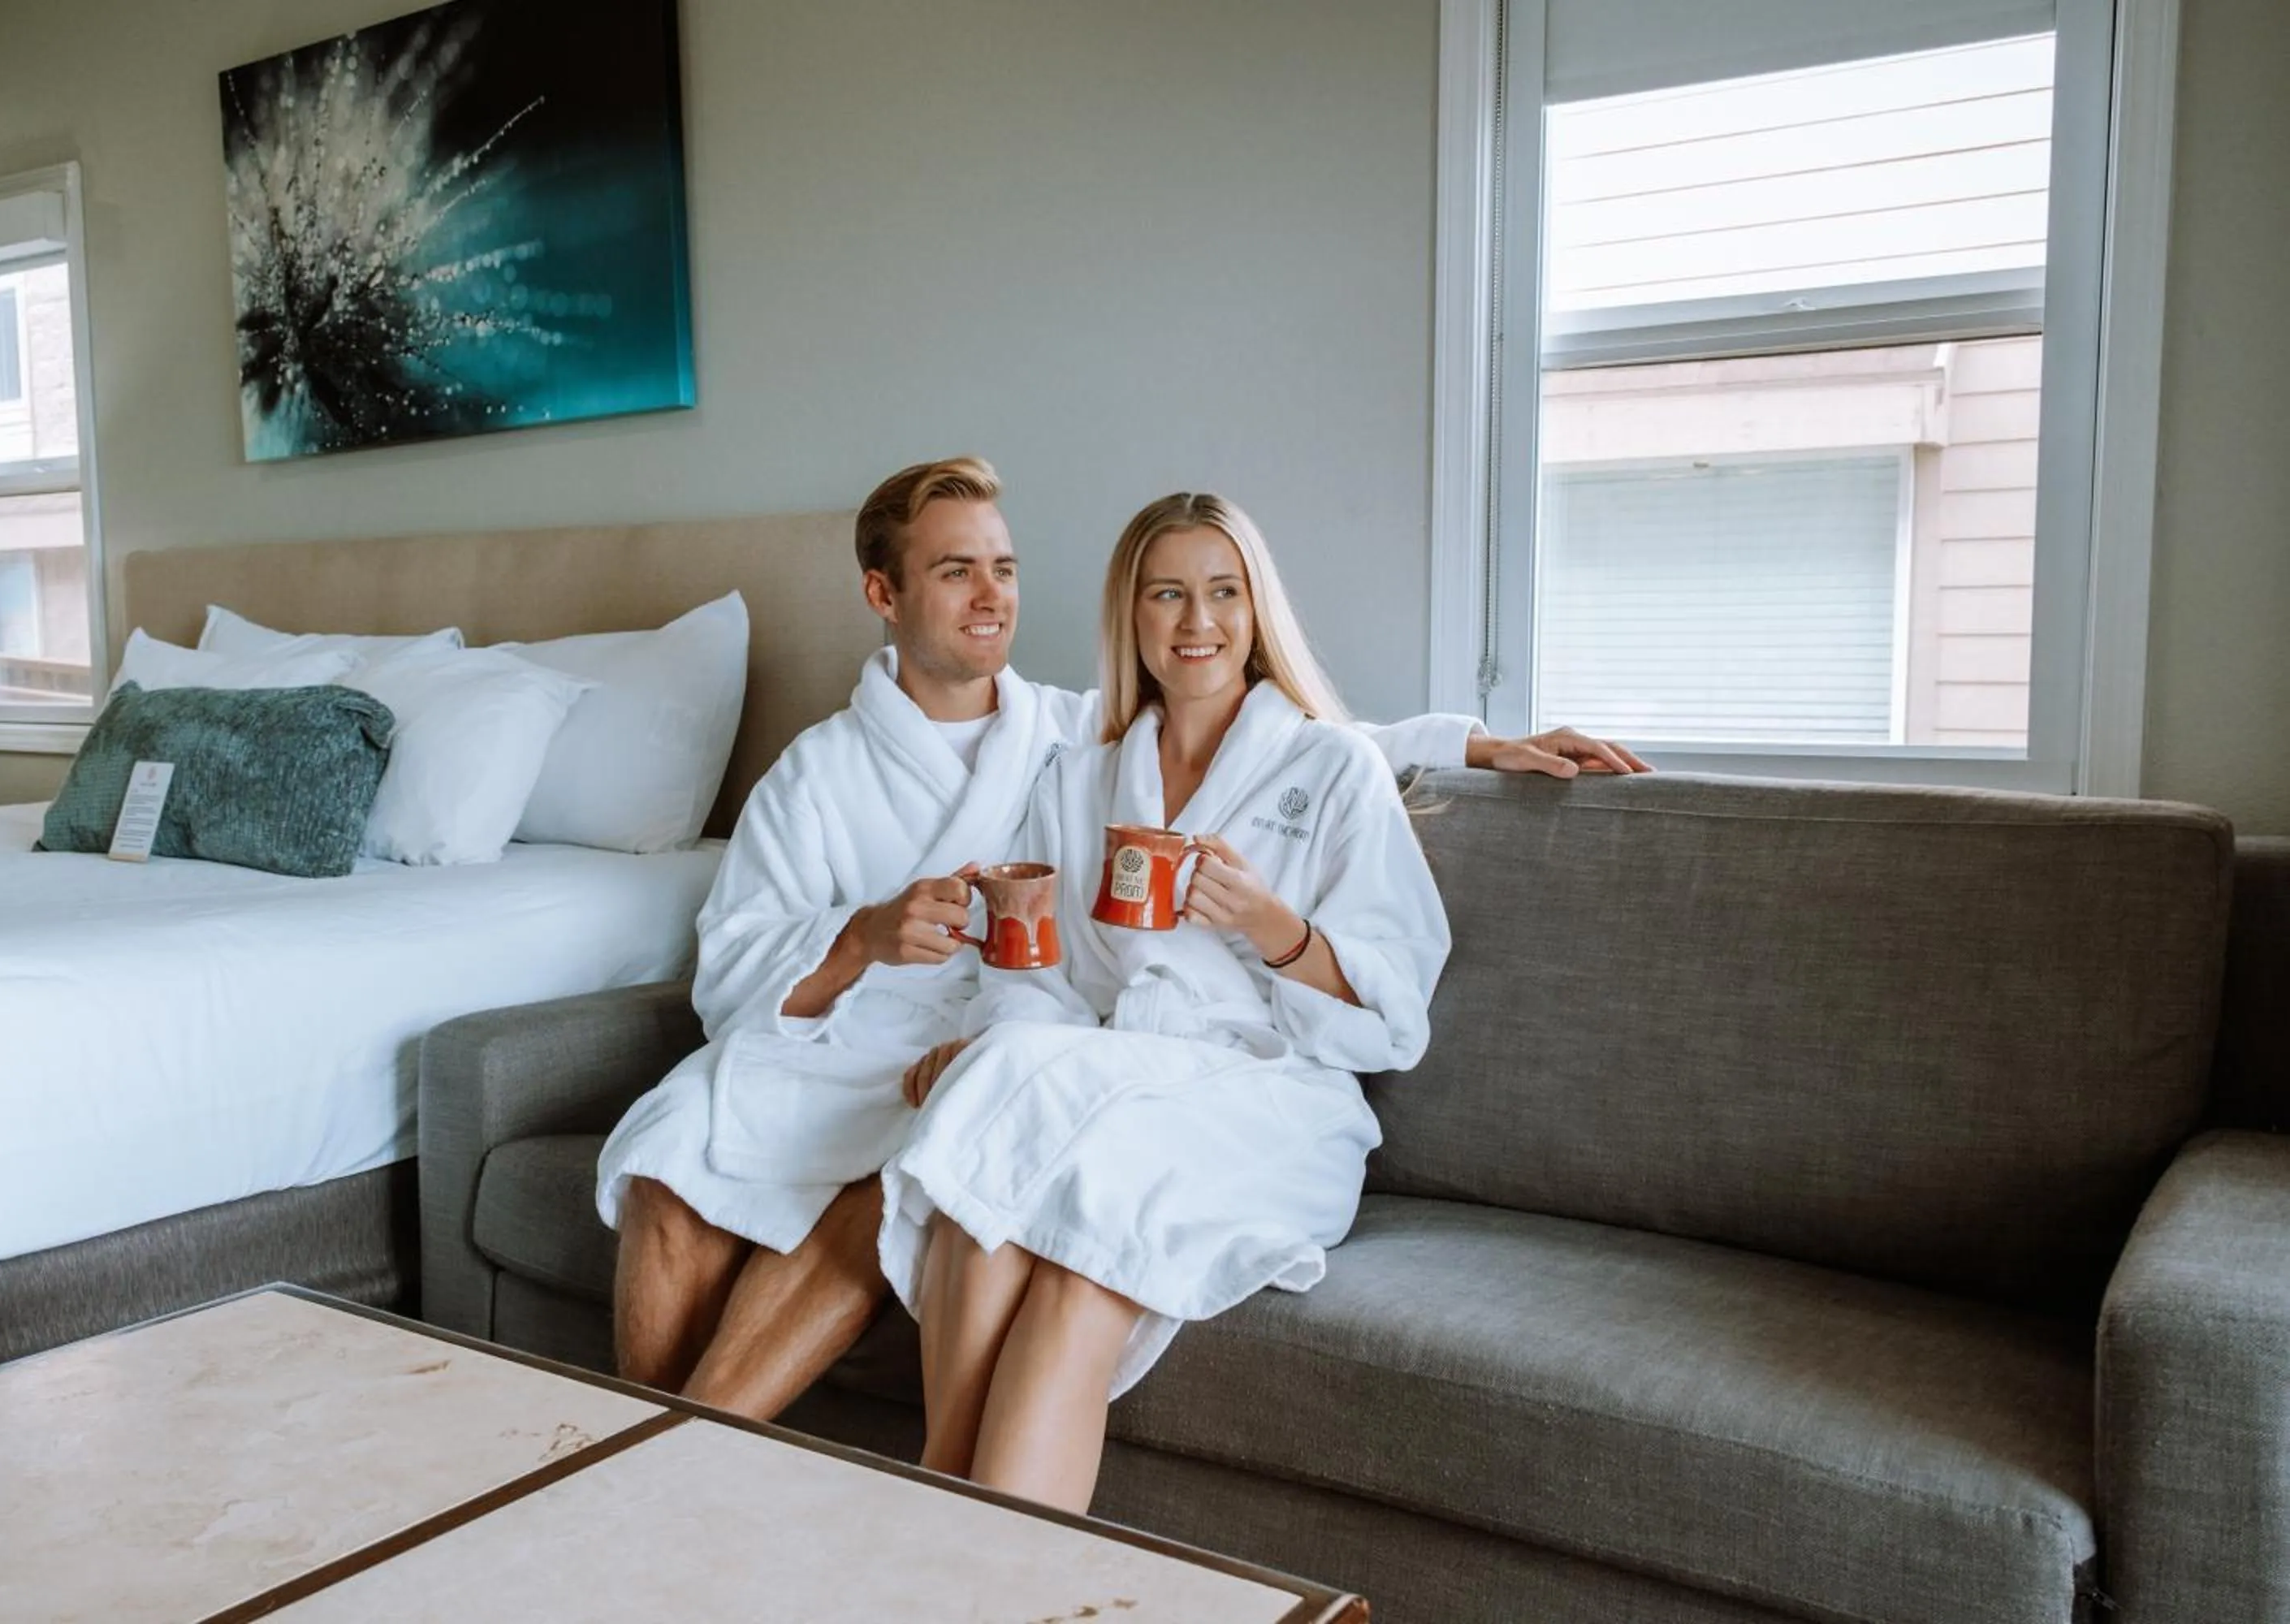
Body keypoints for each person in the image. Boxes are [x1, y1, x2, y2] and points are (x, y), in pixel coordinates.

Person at [594, 458, 1640, 1420]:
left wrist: (1469, 741)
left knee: (914, 1160)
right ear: (885, 595)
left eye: (1003, 568)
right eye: (956, 572)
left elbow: (1257, 730)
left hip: (984, 1033)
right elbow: (733, 961)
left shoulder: (1065, 729)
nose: (993, 595)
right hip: (847, 1032)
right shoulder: (816, 771)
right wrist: (862, 937)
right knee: (667, 1160)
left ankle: (681, 1460)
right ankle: (638, 1441)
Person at [879, 491, 1455, 1514]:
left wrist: (1278, 929)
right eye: (1169, 594)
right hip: (1118, 1072)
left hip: (1271, 1097)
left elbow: (1397, 1006)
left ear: (1256, 608)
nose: (1199, 621)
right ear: (1131, 616)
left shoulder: (1332, 767)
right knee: (984, 1181)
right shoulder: (1085, 772)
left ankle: (955, 1553)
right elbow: (1035, 975)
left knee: (1077, 1262)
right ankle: (948, 1530)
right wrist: (989, 1042)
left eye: (1225, 592)